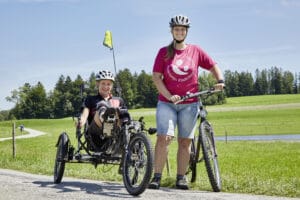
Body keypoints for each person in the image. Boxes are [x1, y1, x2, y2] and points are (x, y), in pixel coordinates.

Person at [148, 14, 225, 190]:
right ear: (172, 31)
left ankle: (181, 178)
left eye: (183, 29)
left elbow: (213, 65)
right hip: (167, 103)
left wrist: (220, 80)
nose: (180, 32)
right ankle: (157, 176)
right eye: (176, 29)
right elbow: (156, 77)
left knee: (185, 141)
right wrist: (169, 96)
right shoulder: (164, 52)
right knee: (164, 137)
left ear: (186, 32)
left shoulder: (196, 51)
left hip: (190, 103)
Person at [77, 70, 126, 151]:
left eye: (108, 84)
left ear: (112, 85)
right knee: (102, 106)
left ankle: (111, 127)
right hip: (96, 136)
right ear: (97, 84)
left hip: (116, 135)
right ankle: (106, 121)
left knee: (122, 112)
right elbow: (85, 114)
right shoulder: (91, 99)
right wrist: (81, 121)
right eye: (103, 83)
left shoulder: (118, 100)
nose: (106, 86)